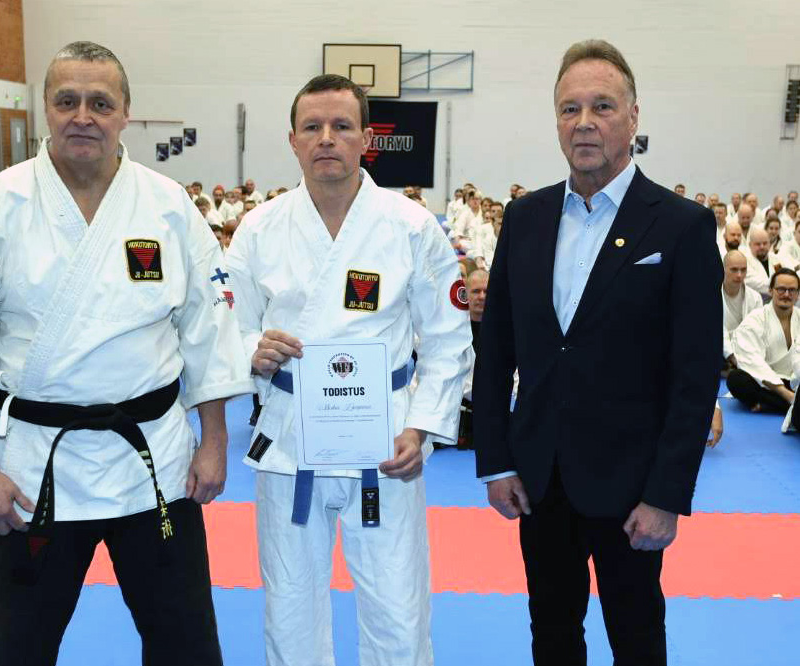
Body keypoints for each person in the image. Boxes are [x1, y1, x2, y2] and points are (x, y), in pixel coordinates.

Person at [0, 41, 253, 666]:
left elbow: (209, 327)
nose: (83, 116)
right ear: (46, 108)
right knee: (10, 649)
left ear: (126, 113)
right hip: (31, 467)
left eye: (100, 103)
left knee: (186, 646)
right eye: (67, 101)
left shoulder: (168, 206)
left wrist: (215, 441)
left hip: (155, 463)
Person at [474, 40, 720, 666]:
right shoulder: (524, 218)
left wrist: (667, 495)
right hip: (539, 478)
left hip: (633, 486)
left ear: (633, 118)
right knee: (552, 634)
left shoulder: (681, 226)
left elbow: (694, 377)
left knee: (637, 640)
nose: (584, 122)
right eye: (570, 109)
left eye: (602, 107)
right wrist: (495, 461)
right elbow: (496, 349)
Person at [224, 73, 471, 666]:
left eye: (341, 126)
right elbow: (225, 327)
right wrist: (252, 349)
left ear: (367, 139)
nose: (326, 138)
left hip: (386, 438)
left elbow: (448, 337)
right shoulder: (259, 228)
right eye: (312, 127)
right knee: (289, 607)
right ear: (293, 140)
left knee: (398, 607)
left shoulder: (411, 225)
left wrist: (423, 426)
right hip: (290, 438)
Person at [726, 269, 800, 413]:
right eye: (781, 289)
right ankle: (791, 405)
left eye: (792, 290)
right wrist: (788, 395)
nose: (786, 294)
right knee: (736, 379)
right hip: (764, 381)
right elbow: (753, 362)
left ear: (797, 294)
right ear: (771, 290)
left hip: (794, 381)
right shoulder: (755, 320)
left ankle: (770, 404)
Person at [458, 269, 488, 450]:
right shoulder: (453, 332)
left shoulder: (506, 329)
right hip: (460, 414)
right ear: (465, 294)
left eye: (486, 291)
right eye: (476, 291)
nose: (482, 296)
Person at [721, 250, 762, 372]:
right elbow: (718, 332)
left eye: (743, 270)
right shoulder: (711, 296)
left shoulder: (755, 298)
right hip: (721, 353)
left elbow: (757, 332)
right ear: (723, 269)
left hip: (748, 352)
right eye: (734, 270)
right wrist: (734, 358)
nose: (739, 275)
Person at [745, 226, 781, 296]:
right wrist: (781, 284)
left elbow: (787, 275)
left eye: (765, 243)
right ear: (750, 245)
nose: (762, 247)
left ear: (769, 244)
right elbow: (757, 284)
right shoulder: (744, 262)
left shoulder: (776, 258)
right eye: (758, 244)